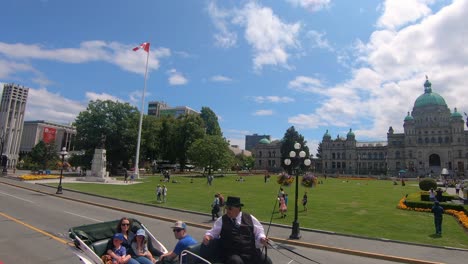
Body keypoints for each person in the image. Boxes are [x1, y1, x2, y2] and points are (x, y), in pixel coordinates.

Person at [203, 196, 272, 264]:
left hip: (251, 252)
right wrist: (208, 237)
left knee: (267, 261)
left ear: (238, 208)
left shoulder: (250, 218)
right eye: (226, 208)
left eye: (230, 208)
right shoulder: (222, 220)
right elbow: (212, 233)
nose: (227, 211)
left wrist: (262, 238)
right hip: (232, 253)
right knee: (236, 262)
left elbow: (259, 232)